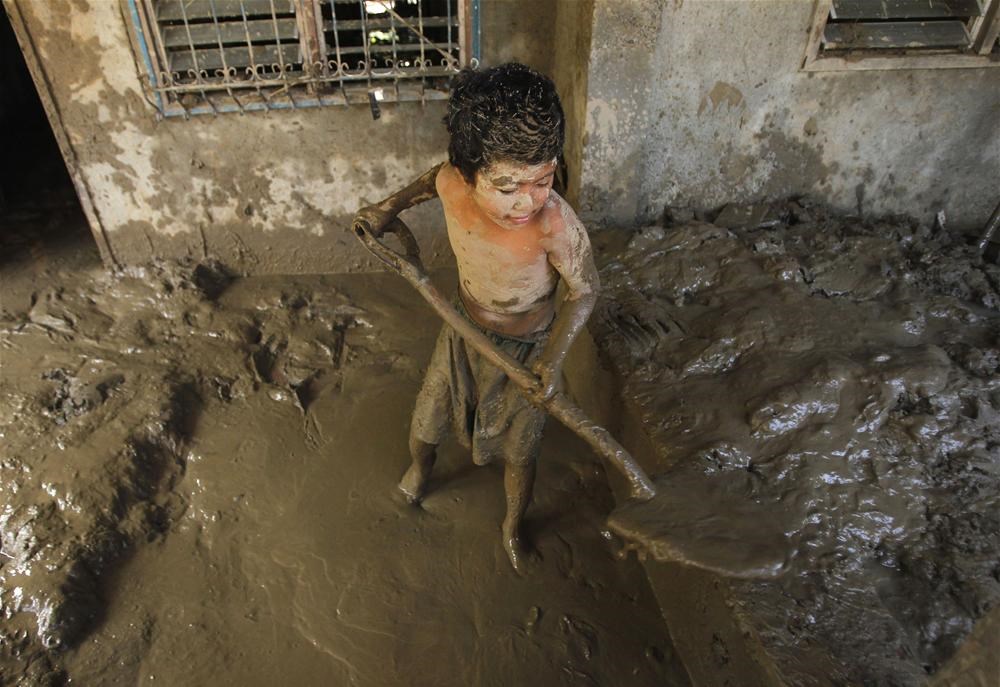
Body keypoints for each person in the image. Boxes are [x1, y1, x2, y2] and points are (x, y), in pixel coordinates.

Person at [353, 63, 598, 572]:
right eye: (507, 185)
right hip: (462, 332)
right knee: (429, 416)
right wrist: (386, 207)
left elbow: (586, 291)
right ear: (468, 174)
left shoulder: (555, 224)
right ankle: (420, 470)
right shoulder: (450, 184)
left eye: (543, 179)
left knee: (521, 450)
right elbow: (428, 182)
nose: (526, 200)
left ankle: (512, 525)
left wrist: (552, 363)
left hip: (529, 348)